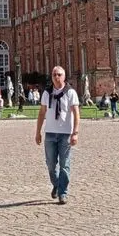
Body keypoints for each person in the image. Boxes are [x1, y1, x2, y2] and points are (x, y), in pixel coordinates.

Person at [35, 66, 80, 205]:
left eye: (59, 74)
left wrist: (75, 133)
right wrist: (38, 132)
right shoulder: (47, 93)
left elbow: (76, 113)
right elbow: (42, 113)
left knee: (64, 165)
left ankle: (62, 192)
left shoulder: (70, 92)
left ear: (64, 76)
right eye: (54, 74)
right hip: (50, 133)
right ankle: (56, 184)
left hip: (65, 134)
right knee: (50, 164)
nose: (56, 77)